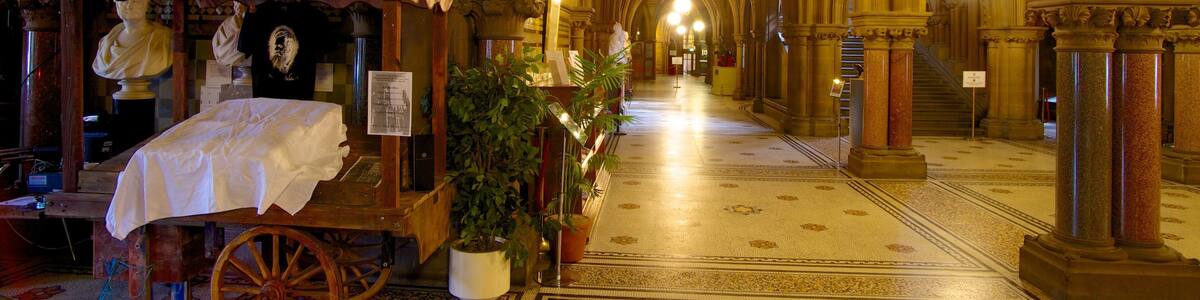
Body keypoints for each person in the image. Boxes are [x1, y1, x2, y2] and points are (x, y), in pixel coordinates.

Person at [92, 0, 172, 81]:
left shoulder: (164, 37)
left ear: (147, 3)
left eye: (136, 1)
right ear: (115, 3)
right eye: (124, 1)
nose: (129, 5)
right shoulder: (106, 42)